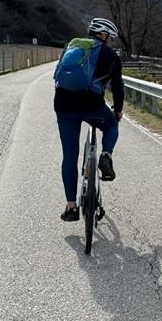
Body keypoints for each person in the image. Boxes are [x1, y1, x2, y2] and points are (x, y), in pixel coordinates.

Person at [54, 17, 124, 221]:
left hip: (64, 105)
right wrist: (118, 111)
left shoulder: (73, 46)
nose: (111, 42)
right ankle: (106, 156)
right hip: (92, 106)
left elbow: (59, 75)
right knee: (111, 126)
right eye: (110, 38)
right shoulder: (110, 55)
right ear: (103, 35)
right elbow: (118, 88)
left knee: (69, 155)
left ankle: (71, 207)